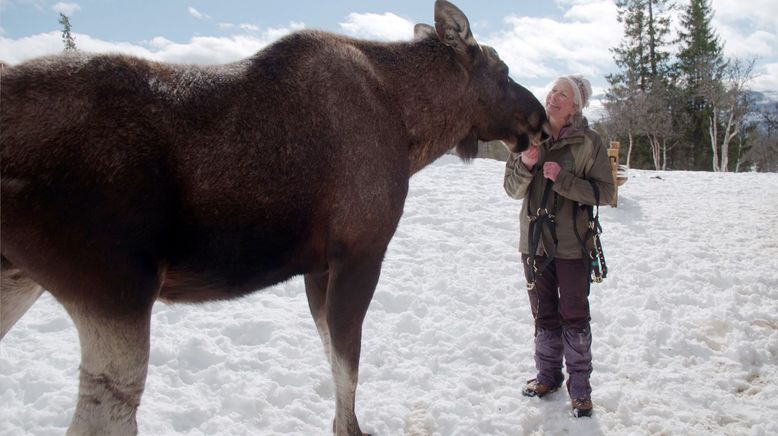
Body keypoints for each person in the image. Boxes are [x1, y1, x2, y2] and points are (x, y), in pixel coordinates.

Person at [503, 75, 615, 417]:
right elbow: (511, 188)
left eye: (563, 94)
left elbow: (605, 193)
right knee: (544, 315)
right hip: (533, 244)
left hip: (572, 246)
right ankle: (548, 377)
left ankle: (580, 390)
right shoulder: (527, 135)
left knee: (575, 317)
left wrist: (562, 180)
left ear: (575, 107)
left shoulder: (589, 143)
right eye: (553, 90)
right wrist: (526, 165)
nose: (554, 97)